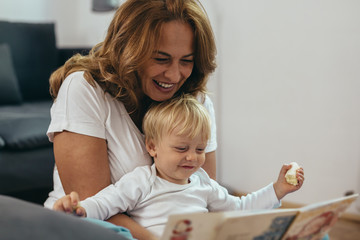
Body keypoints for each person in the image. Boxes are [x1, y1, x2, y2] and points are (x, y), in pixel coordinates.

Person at [45, 0, 217, 239]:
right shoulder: (83, 89)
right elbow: (93, 207)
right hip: (91, 230)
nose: (175, 75)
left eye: (186, 61)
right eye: (161, 58)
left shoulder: (195, 100)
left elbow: (202, 194)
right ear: (128, 50)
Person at [53, 94, 305, 239]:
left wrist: (277, 189)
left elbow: (239, 207)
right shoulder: (142, 180)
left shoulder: (203, 182)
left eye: (200, 149)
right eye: (181, 149)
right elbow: (105, 203)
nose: (192, 158)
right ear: (152, 147)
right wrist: (78, 209)